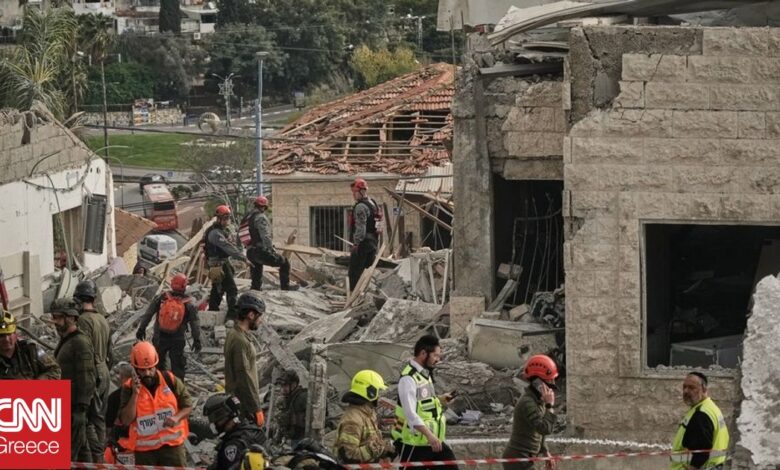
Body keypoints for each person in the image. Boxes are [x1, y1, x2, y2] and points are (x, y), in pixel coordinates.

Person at [119, 341, 193, 467]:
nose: (147, 373)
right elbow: (126, 420)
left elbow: (188, 406)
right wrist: (135, 394)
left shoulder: (170, 380)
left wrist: (176, 417)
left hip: (172, 448)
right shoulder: (129, 388)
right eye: (142, 370)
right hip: (145, 452)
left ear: (155, 365)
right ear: (135, 369)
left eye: (150, 369)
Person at [395, 335, 457, 470]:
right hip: (414, 444)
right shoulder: (408, 379)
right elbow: (410, 414)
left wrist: (441, 400)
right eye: (435, 355)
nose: (438, 360)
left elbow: (423, 402)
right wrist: (429, 435)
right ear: (423, 353)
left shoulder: (424, 374)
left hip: (434, 441)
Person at [51, 298, 97, 463]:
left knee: (70, 453)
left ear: (70, 318)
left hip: (75, 409)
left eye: (58, 318)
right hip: (68, 407)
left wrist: (80, 410)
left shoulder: (80, 342)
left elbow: (87, 377)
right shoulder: (67, 340)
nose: (55, 322)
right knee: (83, 452)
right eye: (54, 318)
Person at [74, 279, 113, 463]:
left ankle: (95, 459)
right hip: (104, 371)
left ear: (78, 299)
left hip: (93, 372)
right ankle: (101, 455)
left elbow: (85, 352)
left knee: (90, 418)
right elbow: (111, 353)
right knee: (100, 417)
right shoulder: (102, 319)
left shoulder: (83, 321)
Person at [135, 273, 202, 379]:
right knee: (177, 366)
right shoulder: (189, 303)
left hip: (159, 336)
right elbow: (195, 324)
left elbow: (148, 314)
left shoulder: (161, 298)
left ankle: (159, 385)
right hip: (178, 338)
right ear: (184, 286)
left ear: (172, 284)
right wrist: (197, 340)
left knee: (158, 364)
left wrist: (141, 329)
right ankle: (177, 386)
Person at [503, 355, 560, 470]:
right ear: (537, 382)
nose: (552, 384)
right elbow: (544, 428)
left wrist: (545, 451)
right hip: (518, 459)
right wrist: (550, 405)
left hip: (525, 458)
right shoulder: (527, 403)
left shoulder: (538, 400)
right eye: (549, 380)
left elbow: (540, 432)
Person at [334, 369, 396, 464]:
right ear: (370, 392)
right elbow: (349, 456)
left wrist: (386, 451)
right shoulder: (353, 420)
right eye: (378, 391)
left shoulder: (368, 414)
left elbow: (370, 440)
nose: (379, 396)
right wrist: (376, 449)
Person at [670, 372, 729, 470]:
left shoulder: (701, 414)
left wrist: (693, 467)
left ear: (704, 389)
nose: (686, 391)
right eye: (684, 387)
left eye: (691, 387)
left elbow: (702, 451)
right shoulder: (710, 407)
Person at [224, 291, 265, 426]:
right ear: (251, 315)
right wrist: (256, 408)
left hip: (239, 401)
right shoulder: (240, 341)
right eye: (259, 316)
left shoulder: (235, 333)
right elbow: (244, 377)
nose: (260, 320)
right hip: (243, 405)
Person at [205, 205, 251, 321]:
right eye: (225, 219)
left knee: (218, 289)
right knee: (231, 289)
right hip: (218, 264)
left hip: (221, 263)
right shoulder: (215, 233)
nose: (227, 221)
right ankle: (232, 316)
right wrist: (243, 258)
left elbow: (232, 244)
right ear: (219, 219)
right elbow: (227, 247)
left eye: (227, 218)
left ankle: (212, 311)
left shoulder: (222, 231)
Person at [244, 195, 297, 291]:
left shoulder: (248, 217)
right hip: (260, 251)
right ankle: (285, 288)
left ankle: (255, 290)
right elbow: (265, 236)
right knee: (284, 263)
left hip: (250, 252)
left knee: (256, 272)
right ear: (264, 207)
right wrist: (271, 249)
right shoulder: (260, 217)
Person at [204, 393, 266, 470]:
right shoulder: (252, 429)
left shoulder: (234, 445)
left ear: (224, 416)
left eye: (216, 420)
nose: (215, 424)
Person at [0, 311, 61, 379]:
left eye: (9, 334)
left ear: (15, 334)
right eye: (1, 336)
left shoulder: (31, 349)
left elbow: (54, 370)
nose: (6, 339)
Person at [348, 178, 382, 291]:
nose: (353, 195)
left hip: (363, 243)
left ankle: (353, 295)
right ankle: (365, 294)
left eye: (354, 192)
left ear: (362, 191)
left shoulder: (360, 207)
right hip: (373, 242)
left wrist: (356, 244)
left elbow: (361, 227)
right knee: (367, 272)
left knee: (355, 272)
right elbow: (379, 224)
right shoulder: (373, 203)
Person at [104, 362, 134, 464]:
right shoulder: (141, 394)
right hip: (140, 444)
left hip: (118, 445)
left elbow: (108, 426)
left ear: (121, 377)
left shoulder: (113, 398)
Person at [276, 370, 308, 446]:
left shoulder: (303, 397)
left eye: (285, 385)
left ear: (294, 384)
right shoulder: (288, 398)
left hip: (302, 440)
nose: (283, 389)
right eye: (282, 386)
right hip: (292, 439)